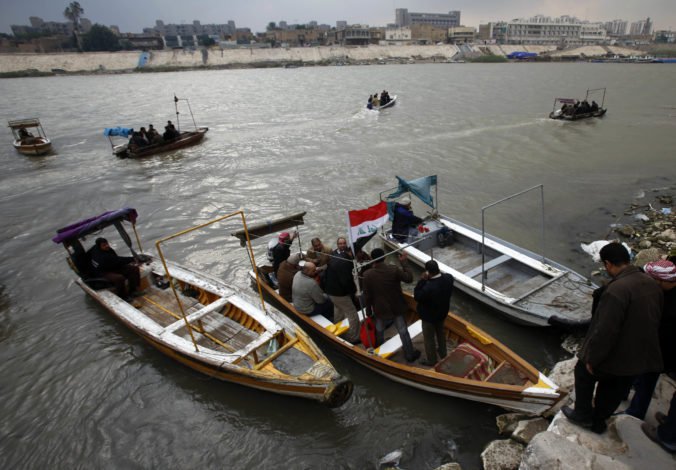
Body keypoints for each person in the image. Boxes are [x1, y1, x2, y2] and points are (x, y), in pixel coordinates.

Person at [562, 242, 664, 434]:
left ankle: (583, 415)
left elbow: (605, 330)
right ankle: (599, 421)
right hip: (639, 354)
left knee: (584, 372)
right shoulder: (651, 283)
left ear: (608, 264)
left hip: (618, 353)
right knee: (615, 388)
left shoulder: (616, 291)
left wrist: (593, 357)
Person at [623, 260, 676, 420]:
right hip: (654, 344)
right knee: (639, 375)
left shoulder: (671, 306)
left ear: (662, 281)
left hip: (662, 349)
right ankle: (626, 392)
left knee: (647, 380)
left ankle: (635, 413)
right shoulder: (665, 291)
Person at [362, 248, 420, 363]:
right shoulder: (393, 269)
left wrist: (368, 312)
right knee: (403, 331)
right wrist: (404, 263)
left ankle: (379, 351)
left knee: (379, 330)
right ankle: (410, 355)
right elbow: (409, 278)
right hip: (396, 307)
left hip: (380, 309)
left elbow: (367, 296)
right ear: (385, 257)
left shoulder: (367, 275)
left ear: (372, 259)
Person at [414, 260, 454, 365]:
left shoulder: (428, 287)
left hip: (429, 317)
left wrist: (422, 280)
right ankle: (443, 353)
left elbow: (417, 296)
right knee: (441, 333)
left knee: (429, 338)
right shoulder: (449, 278)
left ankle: (431, 360)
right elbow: (445, 276)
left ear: (427, 272)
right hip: (442, 314)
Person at [324, 237, 360, 343]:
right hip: (339, 293)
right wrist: (354, 292)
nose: (343, 245)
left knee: (338, 308)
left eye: (344, 243)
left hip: (331, 291)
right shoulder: (344, 261)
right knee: (352, 313)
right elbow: (346, 280)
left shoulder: (335, 258)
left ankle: (337, 328)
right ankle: (353, 337)